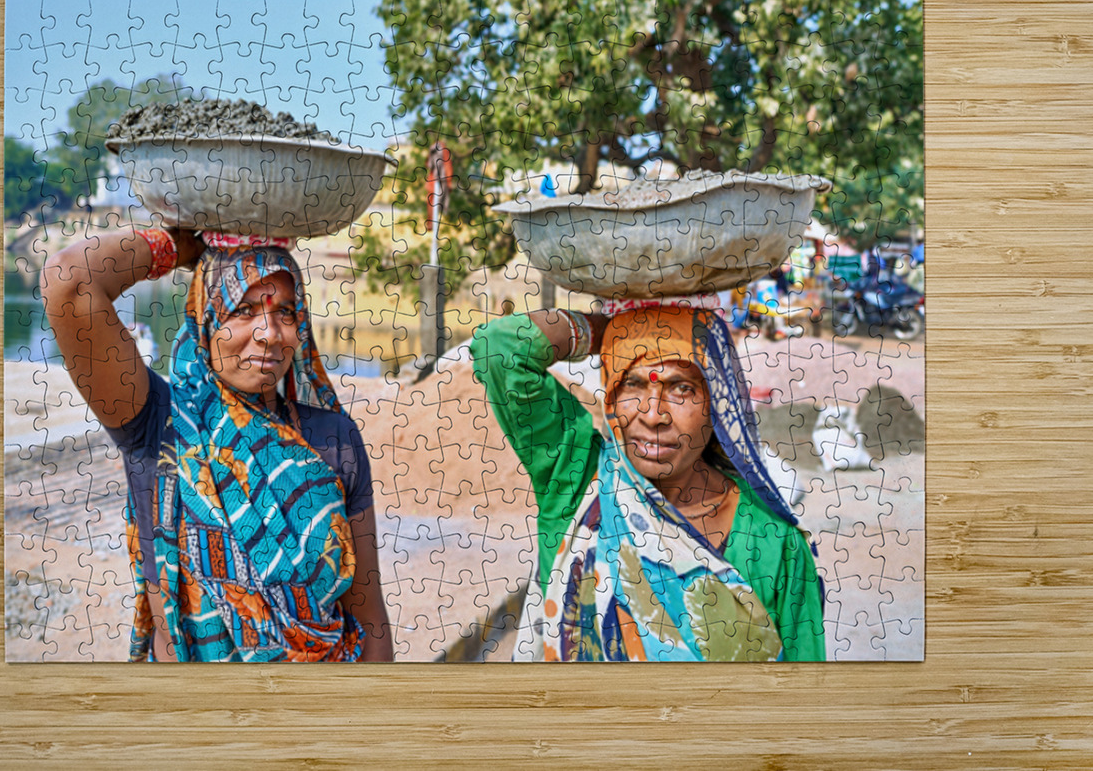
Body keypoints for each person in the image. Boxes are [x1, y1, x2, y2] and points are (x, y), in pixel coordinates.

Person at [42, 227, 391, 662]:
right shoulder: (155, 421)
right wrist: (190, 246)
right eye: (243, 310)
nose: (270, 333)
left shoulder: (333, 439)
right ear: (205, 316)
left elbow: (370, 619)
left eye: (286, 312)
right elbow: (69, 280)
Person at [469, 302, 825, 662]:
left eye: (681, 389)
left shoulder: (774, 541)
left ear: (716, 401)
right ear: (609, 397)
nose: (653, 414)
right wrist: (606, 331)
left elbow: (803, 698)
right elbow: (498, 348)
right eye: (632, 384)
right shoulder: (578, 483)